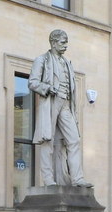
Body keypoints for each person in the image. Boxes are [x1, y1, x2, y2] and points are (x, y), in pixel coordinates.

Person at [28, 29, 93, 187]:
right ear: (53, 42)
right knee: (47, 141)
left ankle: (77, 179)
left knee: (74, 140)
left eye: (66, 42)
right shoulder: (42, 60)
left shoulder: (67, 63)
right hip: (50, 102)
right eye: (63, 43)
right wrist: (47, 88)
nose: (66, 46)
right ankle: (48, 179)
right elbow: (32, 82)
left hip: (66, 104)